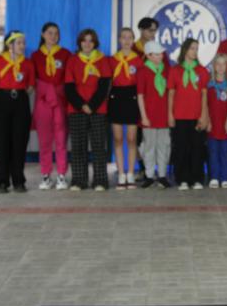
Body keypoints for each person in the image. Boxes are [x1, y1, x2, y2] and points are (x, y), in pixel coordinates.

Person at [64, 29, 111, 191]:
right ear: (80, 43)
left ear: (95, 43)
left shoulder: (102, 60)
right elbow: (69, 87)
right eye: (84, 40)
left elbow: (104, 86)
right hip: (76, 109)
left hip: (98, 109)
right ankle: (79, 180)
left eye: (91, 40)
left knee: (99, 146)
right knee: (78, 146)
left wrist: (92, 105)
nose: (87, 43)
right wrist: (82, 105)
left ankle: (100, 180)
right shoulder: (72, 60)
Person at [0, 31, 35, 194]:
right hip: (2, 101)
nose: (22, 46)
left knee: (19, 142)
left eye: (23, 43)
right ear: (10, 45)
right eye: (19, 43)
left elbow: (30, 86)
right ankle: (2, 181)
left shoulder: (28, 63)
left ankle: (18, 180)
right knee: (1, 142)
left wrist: (18, 93)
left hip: (20, 101)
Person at [31, 23, 72, 191]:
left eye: (56, 33)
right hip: (43, 102)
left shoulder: (65, 54)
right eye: (49, 33)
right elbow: (33, 80)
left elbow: (68, 79)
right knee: (44, 140)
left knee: (61, 139)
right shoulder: (35, 56)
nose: (53, 36)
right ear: (42, 34)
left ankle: (62, 174)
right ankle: (46, 175)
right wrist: (47, 90)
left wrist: (56, 91)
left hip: (60, 102)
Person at [168, 38, 210, 190]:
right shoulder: (175, 70)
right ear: (185, 50)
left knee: (197, 148)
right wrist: (170, 114)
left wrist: (204, 115)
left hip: (196, 116)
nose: (195, 51)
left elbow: (204, 95)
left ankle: (197, 178)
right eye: (192, 48)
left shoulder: (202, 71)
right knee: (181, 148)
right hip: (180, 116)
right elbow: (171, 94)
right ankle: (182, 179)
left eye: (197, 49)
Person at [109, 28, 143, 190]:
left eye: (130, 37)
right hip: (116, 98)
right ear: (119, 40)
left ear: (133, 39)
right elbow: (108, 82)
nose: (127, 41)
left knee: (131, 138)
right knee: (117, 138)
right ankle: (121, 173)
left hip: (132, 98)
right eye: (123, 37)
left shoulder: (138, 60)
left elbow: (141, 83)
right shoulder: (112, 60)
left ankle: (130, 172)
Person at [137, 40, 172, 189]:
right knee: (149, 146)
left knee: (164, 145)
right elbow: (140, 96)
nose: (160, 56)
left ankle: (162, 175)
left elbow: (170, 93)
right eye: (157, 54)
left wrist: (170, 114)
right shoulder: (143, 72)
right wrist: (144, 116)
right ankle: (150, 175)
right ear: (149, 56)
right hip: (149, 116)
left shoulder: (167, 70)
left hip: (164, 115)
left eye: (161, 54)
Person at [206, 53, 227, 189]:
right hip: (212, 123)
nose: (221, 67)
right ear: (214, 67)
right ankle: (214, 177)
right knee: (213, 152)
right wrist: (208, 121)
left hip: (225, 124)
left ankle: (225, 177)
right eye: (218, 64)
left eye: (224, 64)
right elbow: (206, 105)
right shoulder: (209, 86)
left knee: (225, 152)